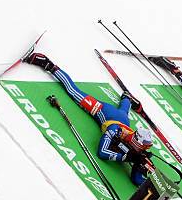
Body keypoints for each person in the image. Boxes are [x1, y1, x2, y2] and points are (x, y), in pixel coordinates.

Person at [24, 53, 153, 186]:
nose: (144, 148)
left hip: (123, 119)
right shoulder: (115, 130)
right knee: (74, 92)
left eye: (146, 147)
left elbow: (137, 180)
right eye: (144, 146)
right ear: (138, 141)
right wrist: (124, 157)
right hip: (103, 111)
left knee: (124, 112)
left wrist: (144, 173)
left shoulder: (140, 151)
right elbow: (101, 152)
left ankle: (127, 98)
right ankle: (48, 64)